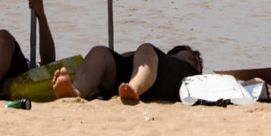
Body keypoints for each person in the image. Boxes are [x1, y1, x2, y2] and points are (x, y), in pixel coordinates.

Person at [51, 44, 202, 104]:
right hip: (127, 74)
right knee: (99, 52)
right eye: (192, 53)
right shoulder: (161, 57)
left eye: (199, 60)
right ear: (173, 53)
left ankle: (134, 88)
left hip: (157, 82)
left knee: (146, 48)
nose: (197, 58)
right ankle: (75, 92)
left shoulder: (193, 76)